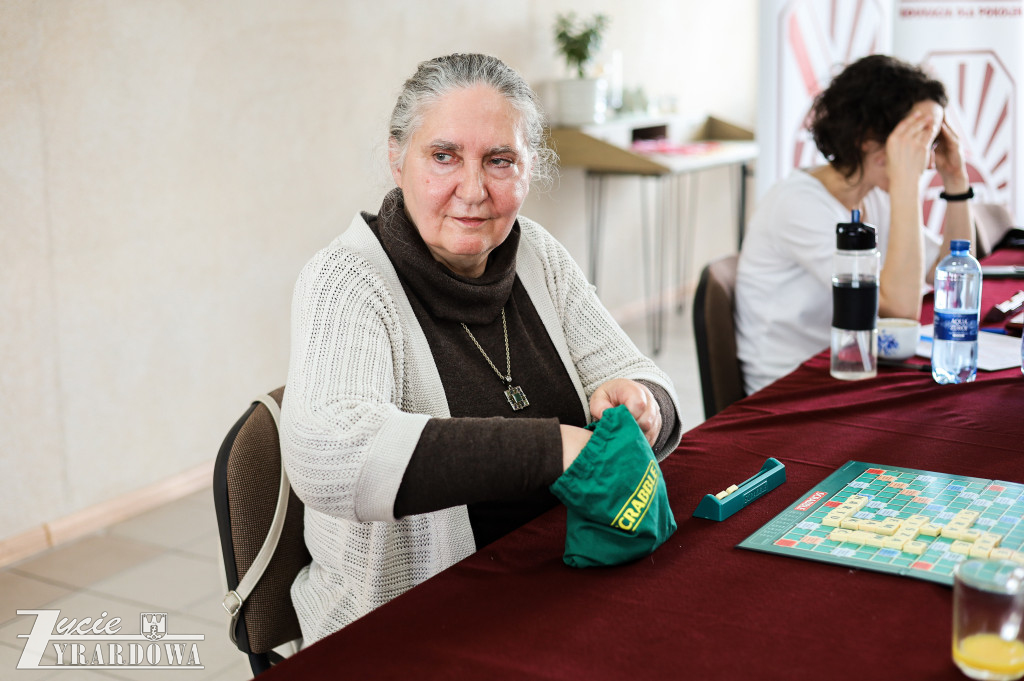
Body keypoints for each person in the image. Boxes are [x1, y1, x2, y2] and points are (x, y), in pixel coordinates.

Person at [279, 53, 682, 644]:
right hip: (412, 627)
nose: (472, 190)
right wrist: (557, 448)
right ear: (397, 158)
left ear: (530, 168)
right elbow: (329, 457)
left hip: (561, 588)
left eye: (500, 161)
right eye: (443, 157)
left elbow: (645, 380)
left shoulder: (537, 254)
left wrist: (643, 403)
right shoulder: (345, 280)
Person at [734, 54, 975, 395]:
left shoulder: (872, 193)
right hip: (791, 388)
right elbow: (899, 312)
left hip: (853, 367)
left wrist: (956, 180)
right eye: (919, 138)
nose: (926, 154)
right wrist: (906, 183)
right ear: (868, 139)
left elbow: (954, 270)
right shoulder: (798, 204)